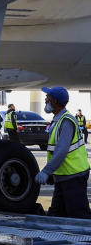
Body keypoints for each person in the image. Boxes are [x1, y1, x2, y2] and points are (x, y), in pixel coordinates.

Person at [34, 86, 91, 219]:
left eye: (47, 97)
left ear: (54, 101)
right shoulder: (58, 120)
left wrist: (46, 171)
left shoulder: (66, 121)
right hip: (64, 176)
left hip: (73, 176)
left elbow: (61, 152)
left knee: (79, 217)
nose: (45, 99)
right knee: (57, 215)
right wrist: (52, 174)